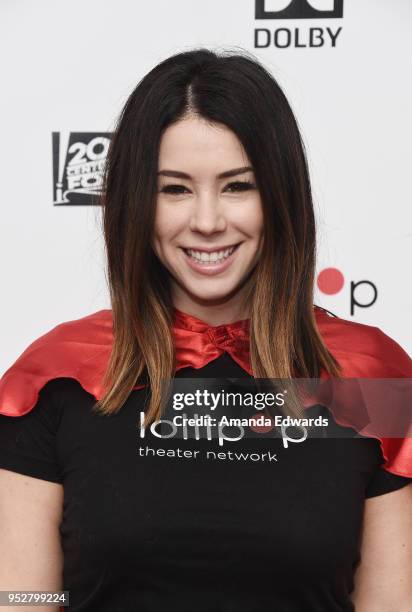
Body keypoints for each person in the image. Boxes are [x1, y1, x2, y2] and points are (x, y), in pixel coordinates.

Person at [0, 47, 411, 612]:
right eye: (174, 189)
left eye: (238, 186)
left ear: (282, 196)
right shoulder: (56, 377)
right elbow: (23, 596)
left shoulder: (372, 380)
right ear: (135, 203)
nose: (208, 220)